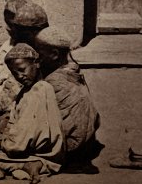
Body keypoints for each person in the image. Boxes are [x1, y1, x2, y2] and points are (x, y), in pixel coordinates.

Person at [0, 43, 64, 184]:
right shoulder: (31, 89)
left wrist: (2, 141)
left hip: (39, 152)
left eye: (22, 69)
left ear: (36, 63)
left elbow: (19, 142)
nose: (19, 76)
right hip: (43, 151)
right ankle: (32, 165)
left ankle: (28, 165)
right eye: (14, 73)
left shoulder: (38, 91)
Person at [33, 26, 100, 156]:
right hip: (83, 144)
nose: (37, 59)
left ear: (55, 54)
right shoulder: (74, 73)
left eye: (40, 54)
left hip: (70, 147)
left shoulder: (54, 82)